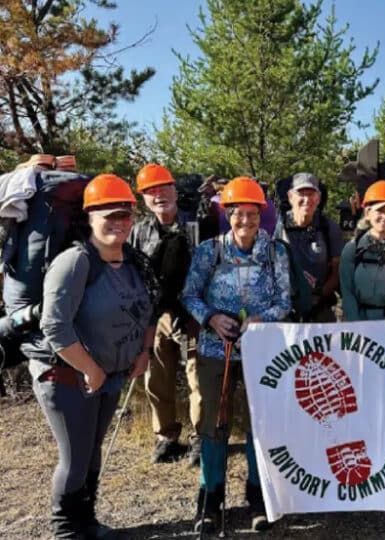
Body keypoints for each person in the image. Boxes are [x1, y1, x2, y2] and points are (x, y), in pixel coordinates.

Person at [30, 174, 157, 538]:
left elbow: (151, 307)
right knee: (74, 458)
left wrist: (144, 351)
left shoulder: (134, 261)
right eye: (109, 215)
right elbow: (54, 327)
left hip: (110, 376)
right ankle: (67, 530)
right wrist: (90, 369)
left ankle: (87, 522)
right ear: (90, 217)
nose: (118, 222)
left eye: (125, 215)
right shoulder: (75, 262)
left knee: (91, 454)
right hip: (68, 378)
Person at [182, 177, 290, 533]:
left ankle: (258, 496)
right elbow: (190, 295)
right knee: (215, 425)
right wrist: (211, 318)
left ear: (262, 215)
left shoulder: (275, 252)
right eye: (239, 214)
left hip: (262, 351)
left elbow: (284, 301)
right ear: (227, 215)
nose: (246, 221)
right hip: (217, 351)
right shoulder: (209, 251)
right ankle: (210, 499)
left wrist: (263, 319)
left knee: (261, 425)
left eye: (253, 214)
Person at [129, 163, 202, 465]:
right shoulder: (139, 231)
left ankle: (201, 438)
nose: (158, 195)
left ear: (174, 189)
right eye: (150, 191)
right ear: (144, 198)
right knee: (156, 377)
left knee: (198, 376)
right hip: (157, 313)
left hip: (194, 312)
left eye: (163, 188)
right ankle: (166, 436)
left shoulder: (196, 223)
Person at [274, 172, 343, 322]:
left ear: (318, 199)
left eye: (311, 194)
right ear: (291, 197)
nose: (306, 200)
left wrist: (320, 295)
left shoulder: (328, 227)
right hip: (283, 307)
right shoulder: (276, 227)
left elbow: (337, 271)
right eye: (301, 194)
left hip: (319, 306)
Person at [340, 180, 385, 321]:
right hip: (359, 323)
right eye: (380, 211)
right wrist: (357, 324)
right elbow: (347, 291)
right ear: (368, 212)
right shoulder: (353, 248)